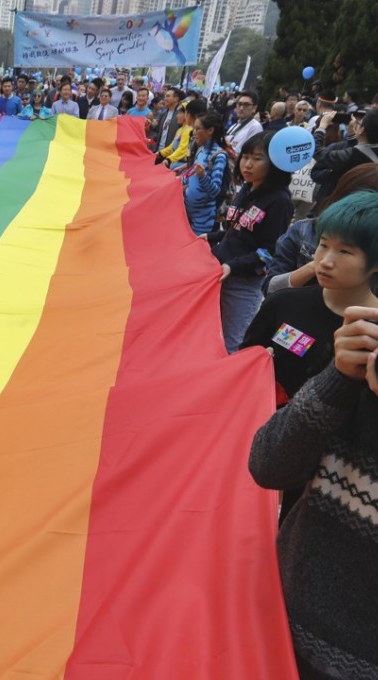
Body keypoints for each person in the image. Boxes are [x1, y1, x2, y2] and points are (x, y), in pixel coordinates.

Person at [248, 193, 378, 679]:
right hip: (280, 452)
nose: (325, 260)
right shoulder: (287, 304)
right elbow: (242, 369)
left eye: (345, 252)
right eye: (323, 244)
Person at [208, 131, 294, 352]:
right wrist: (208, 238)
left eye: (257, 159)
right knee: (210, 334)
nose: (247, 164)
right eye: (245, 157)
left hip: (243, 283)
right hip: (219, 272)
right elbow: (233, 229)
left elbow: (269, 252)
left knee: (232, 342)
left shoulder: (280, 201)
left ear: (274, 162)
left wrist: (233, 265)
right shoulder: (246, 188)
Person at [266, 165, 378, 294]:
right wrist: (314, 266)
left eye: (345, 251)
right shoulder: (304, 231)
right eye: (324, 245)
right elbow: (270, 289)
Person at [182, 111, 229, 236]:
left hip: (203, 218)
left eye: (197, 129)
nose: (194, 132)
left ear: (210, 131)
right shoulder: (200, 149)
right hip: (186, 210)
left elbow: (215, 191)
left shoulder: (219, 156)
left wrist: (203, 176)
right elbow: (191, 175)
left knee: (195, 249)